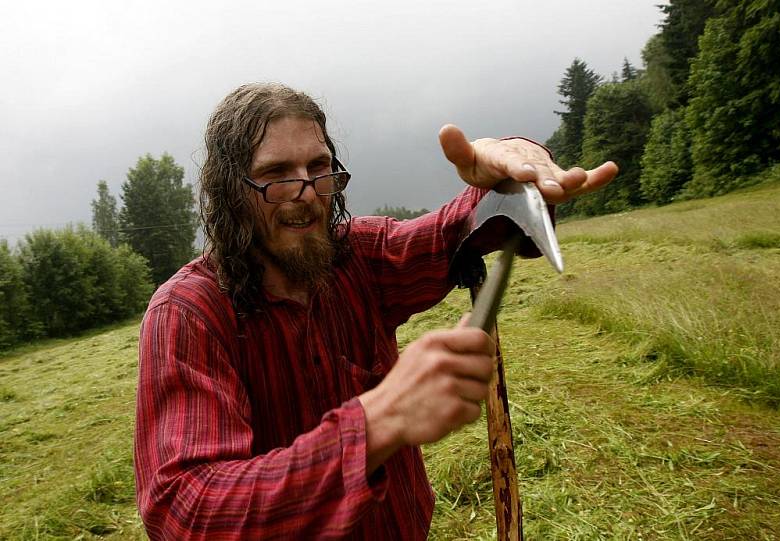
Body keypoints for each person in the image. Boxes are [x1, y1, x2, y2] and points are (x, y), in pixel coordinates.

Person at [134, 82, 617, 540]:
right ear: (229, 191)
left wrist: (515, 161)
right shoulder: (189, 313)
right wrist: (380, 421)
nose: (305, 192)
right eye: (276, 175)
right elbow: (186, 511)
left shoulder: (358, 258)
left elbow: (464, 226)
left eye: (318, 168)